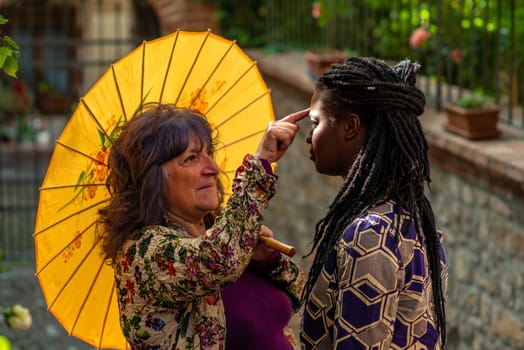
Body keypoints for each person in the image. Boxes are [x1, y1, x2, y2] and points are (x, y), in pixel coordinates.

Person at [97, 103, 307, 349]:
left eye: (209, 153)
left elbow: (299, 295)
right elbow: (220, 260)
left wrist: (267, 261)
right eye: (192, 158)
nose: (213, 169)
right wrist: (260, 163)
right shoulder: (143, 253)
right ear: (153, 179)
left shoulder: (224, 233)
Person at [299, 57, 448, 349]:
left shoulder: (369, 234)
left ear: (350, 127)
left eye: (315, 123)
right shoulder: (412, 220)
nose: (307, 136)